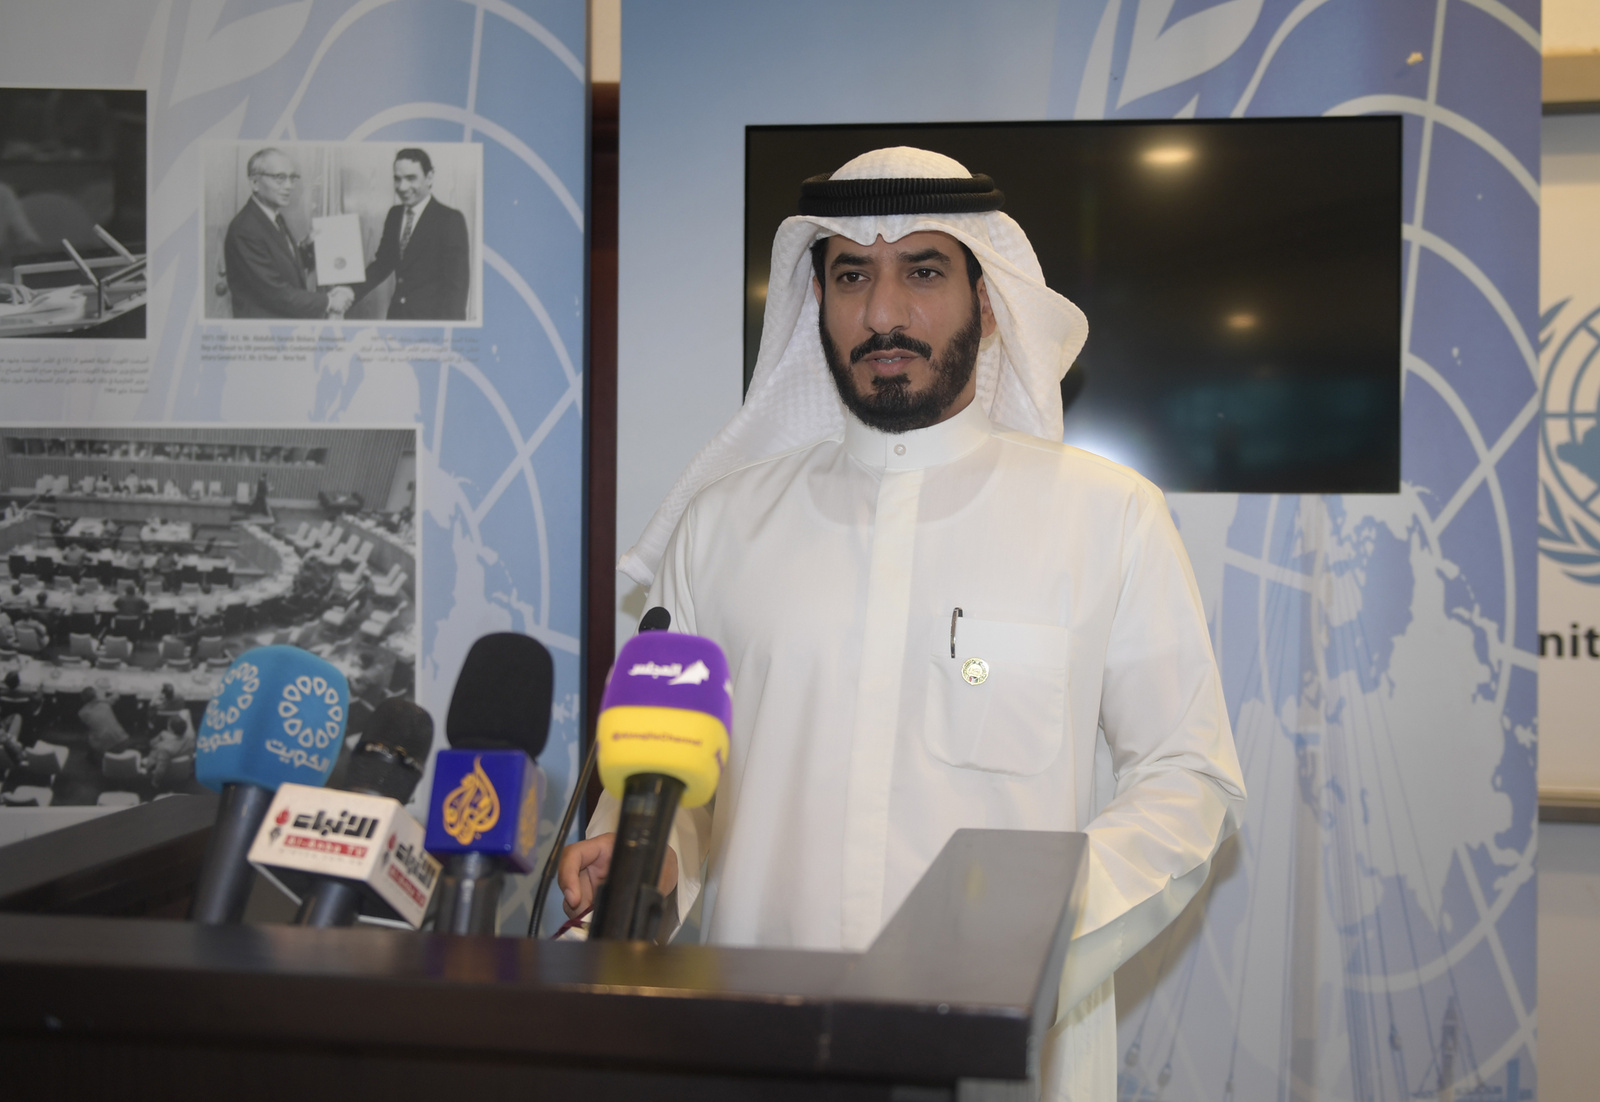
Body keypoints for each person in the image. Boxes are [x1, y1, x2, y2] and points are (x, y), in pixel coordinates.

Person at [558, 148, 1246, 1100]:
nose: (884, 314)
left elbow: (1189, 776)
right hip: (756, 1049)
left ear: (987, 298)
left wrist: (1037, 928)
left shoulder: (1106, 518)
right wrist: (656, 863)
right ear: (818, 304)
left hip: (1000, 1066)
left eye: (923, 271)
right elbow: (684, 789)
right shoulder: (721, 529)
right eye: (851, 276)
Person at [222, 147, 353, 319]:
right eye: (280, 178)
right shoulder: (245, 229)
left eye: (292, 178)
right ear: (255, 183)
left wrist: (306, 247)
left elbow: (281, 264)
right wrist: (329, 301)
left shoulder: (273, 217)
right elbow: (275, 292)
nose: (289, 186)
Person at [350, 148, 470, 321]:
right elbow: (383, 264)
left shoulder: (450, 220)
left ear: (429, 177)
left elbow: (456, 290)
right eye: (397, 179)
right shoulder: (395, 214)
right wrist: (350, 291)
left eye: (411, 178)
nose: (402, 187)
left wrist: (448, 336)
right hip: (397, 319)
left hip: (430, 325)